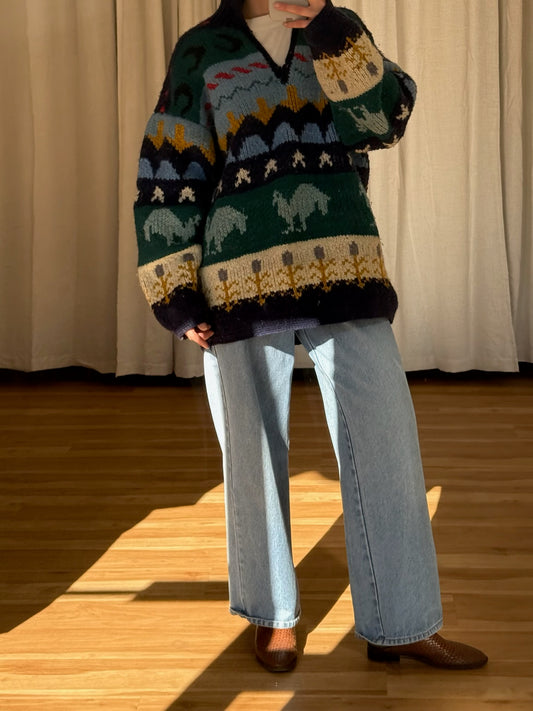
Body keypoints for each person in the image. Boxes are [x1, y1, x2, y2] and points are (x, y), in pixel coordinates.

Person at [134, 0, 488, 673]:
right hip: (235, 285)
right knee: (251, 452)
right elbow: (169, 170)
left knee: (386, 444)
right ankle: (271, 616)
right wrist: (174, 292)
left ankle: (400, 620)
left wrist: (328, 27)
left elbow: (383, 119)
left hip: (343, 267)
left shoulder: (336, 30)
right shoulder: (201, 51)